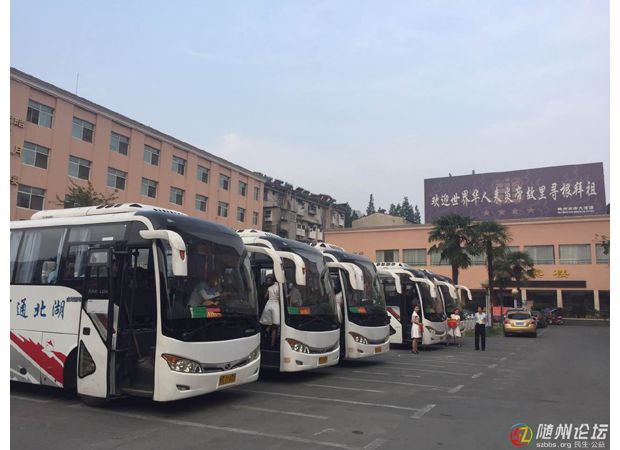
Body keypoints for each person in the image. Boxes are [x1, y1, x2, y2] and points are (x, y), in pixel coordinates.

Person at [259, 275, 280, 348]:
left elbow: (265, 297)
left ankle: (266, 332)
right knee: (275, 327)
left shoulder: (269, 288)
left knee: (268, 322)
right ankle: (272, 345)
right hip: (276, 305)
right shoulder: (279, 288)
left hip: (269, 305)